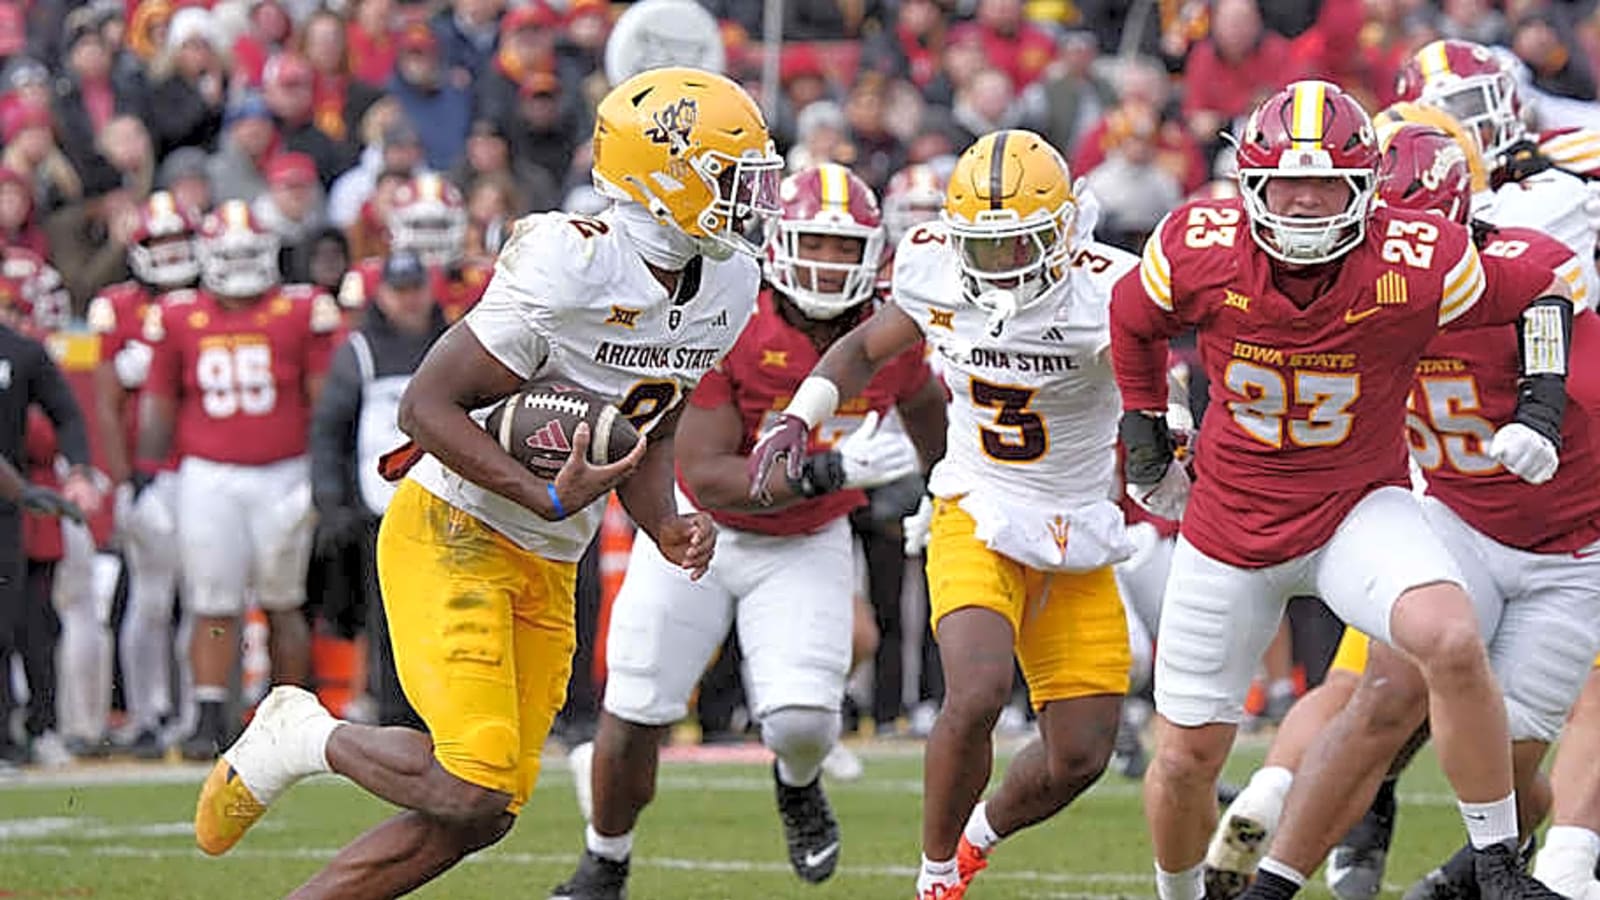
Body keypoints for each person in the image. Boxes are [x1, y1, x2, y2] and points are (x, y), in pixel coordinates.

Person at [190, 67, 782, 900]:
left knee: (486, 812)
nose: (748, 197)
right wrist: (539, 493)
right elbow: (427, 407)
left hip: (551, 554)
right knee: (471, 783)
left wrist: (666, 521)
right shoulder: (574, 262)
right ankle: (303, 734)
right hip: (457, 530)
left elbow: (648, 421)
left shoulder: (727, 281)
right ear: (663, 177)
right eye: (728, 176)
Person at [1110, 80, 1576, 900]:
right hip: (1229, 523)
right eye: (1286, 184)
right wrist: (1145, 429)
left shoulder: (1414, 257)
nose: (1303, 202)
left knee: (1450, 638)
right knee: (1184, 760)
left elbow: (1545, 279)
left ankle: (1498, 864)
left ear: (1365, 188)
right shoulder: (1200, 244)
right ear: (1251, 184)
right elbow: (1130, 315)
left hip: (1354, 509)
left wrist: (1540, 406)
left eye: (1325, 185)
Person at [751, 129, 1141, 900]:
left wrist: (1172, 431)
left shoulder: (1110, 288)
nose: (1000, 263)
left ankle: (974, 840)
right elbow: (863, 350)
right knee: (979, 689)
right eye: (983, 246)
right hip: (977, 504)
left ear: (1065, 228)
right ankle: (934, 880)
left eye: (1019, 243)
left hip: (1076, 521)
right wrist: (800, 415)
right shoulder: (935, 264)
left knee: (1080, 756)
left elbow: (1161, 381)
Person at [550, 162, 947, 900]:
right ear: (779, 242)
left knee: (802, 722)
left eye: (843, 246)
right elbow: (705, 473)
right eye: (814, 243)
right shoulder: (733, 316)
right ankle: (605, 858)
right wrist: (831, 471)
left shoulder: (890, 329)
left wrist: (939, 481)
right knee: (635, 709)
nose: (828, 262)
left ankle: (797, 783)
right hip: (694, 533)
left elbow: (923, 401)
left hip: (806, 541)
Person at [137, 200, 342, 760]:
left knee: (283, 600)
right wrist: (145, 476)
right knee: (213, 601)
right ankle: (209, 715)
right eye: (232, 256)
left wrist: (323, 473)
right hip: (209, 474)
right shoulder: (179, 315)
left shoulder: (300, 309)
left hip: (285, 470)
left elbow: (322, 402)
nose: (243, 266)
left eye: (251, 253)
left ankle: (290, 714)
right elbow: (159, 400)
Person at [309, 248, 447, 729]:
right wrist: (332, 501)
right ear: (382, 294)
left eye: (416, 289)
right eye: (399, 290)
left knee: (446, 612)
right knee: (386, 615)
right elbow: (329, 431)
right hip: (381, 504)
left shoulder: (452, 341)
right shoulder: (360, 352)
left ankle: (441, 711)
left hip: (446, 502)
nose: (409, 300)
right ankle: (393, 711)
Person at [87, 190, 202, 758]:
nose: (172, 251)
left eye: (180, 239)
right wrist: (123, 476)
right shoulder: (118, 307)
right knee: (151, 598)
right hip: (152, 472)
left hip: (204, 466)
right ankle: (147, 713)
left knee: (204, 598)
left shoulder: (214, 303)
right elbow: (107, 404)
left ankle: (197, 713)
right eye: (161, 241)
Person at [0, 255, 101, 765]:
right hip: (18, 491)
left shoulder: (23, 351)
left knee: (20, 623)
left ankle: (27, 729)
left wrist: (78, 470)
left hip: (13, 503)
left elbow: (68, 415)